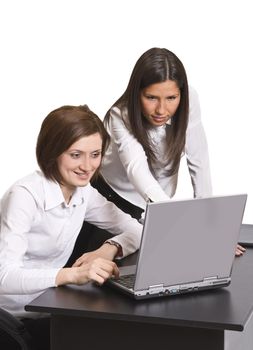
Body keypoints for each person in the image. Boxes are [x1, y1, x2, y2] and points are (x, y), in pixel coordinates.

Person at [0, 105, 142, 350]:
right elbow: (4, 277)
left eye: (95, 154)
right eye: (76, 155)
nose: (87, 166)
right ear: (52, 152)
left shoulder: (83, 192)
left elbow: (137, 229)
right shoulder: (24, 195)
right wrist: (73, 275)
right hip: (12, 318)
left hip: (50, 305)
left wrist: (108, 249)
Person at [92, 47, 245, 257]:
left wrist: (211, 229)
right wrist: (179, 225)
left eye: (171, 98)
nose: (161, 110)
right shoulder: (121, 114)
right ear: (138, 92)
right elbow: (137, 169)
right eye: (151, 97)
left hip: (156, 206)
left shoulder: (190, 99)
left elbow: (199, 161)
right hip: (111, 201)